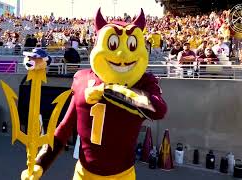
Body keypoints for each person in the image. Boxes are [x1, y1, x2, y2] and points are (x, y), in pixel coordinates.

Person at [21, 8, 167, 180]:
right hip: (84, 174)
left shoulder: (144, 83)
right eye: (113, 45)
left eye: (132, 46)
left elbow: (158, 110)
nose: (122, 54)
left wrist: (110, 91)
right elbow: (64, 129)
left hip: (123, 175)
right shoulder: (82, 79)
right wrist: (40, 163)